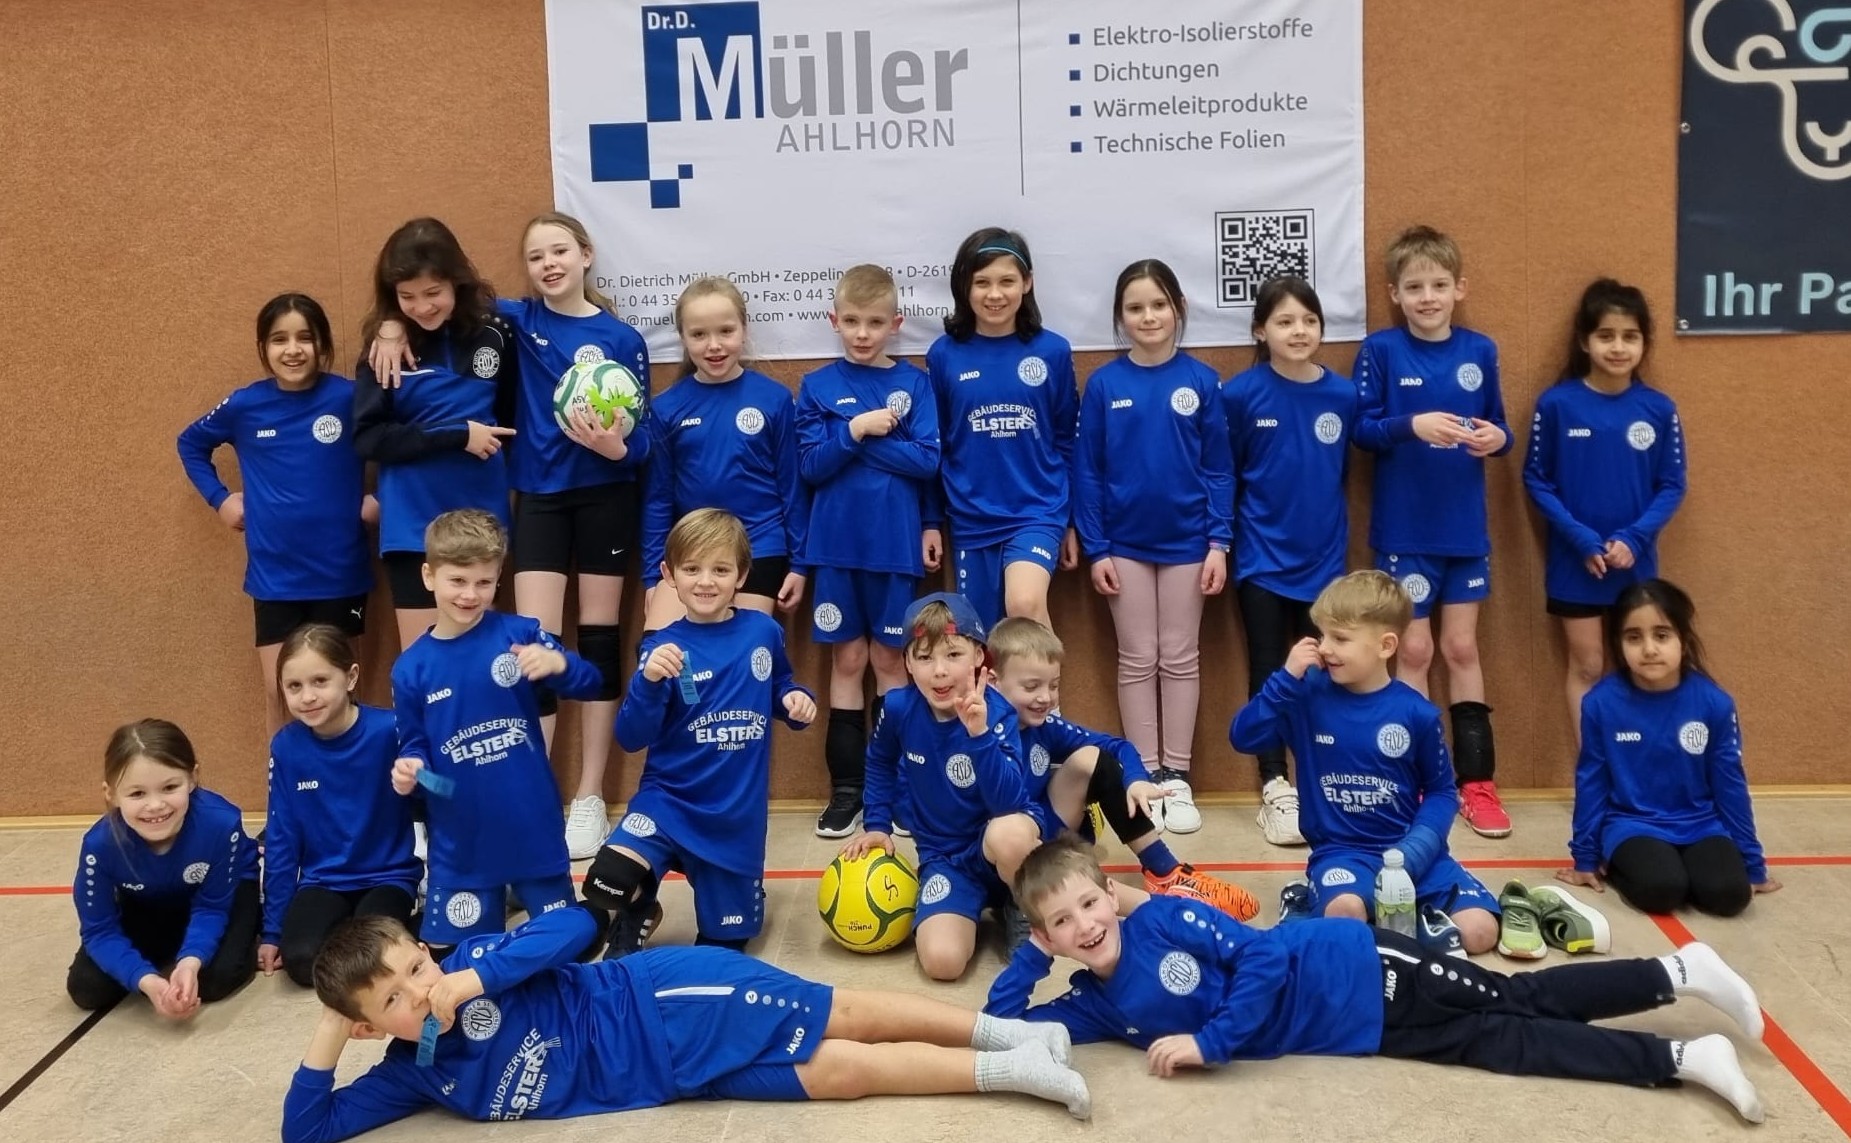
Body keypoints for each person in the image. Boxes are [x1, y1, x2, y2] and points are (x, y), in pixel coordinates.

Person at [985, 837, 1767, 1124]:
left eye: (1090, 901)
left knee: (1513, 998)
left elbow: (1261, 958)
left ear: (1108, 891)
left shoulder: (1162, 919)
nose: (1084, 923)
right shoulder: (1093, 1002)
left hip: (1353, 962)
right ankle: (1680, 1058)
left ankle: (1678, 969)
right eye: (1061, 923)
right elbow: (1008, 1018)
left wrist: (1210, 1041)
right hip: (1361, 1030)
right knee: (1504, 1046)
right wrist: (1031, 953)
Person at [281, 907, 1090, 1142]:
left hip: (662, 1001)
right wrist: (329, 1021)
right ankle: (1018, 1068)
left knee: (845, 1013)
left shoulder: (481, 956)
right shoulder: (415, 1068)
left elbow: (577, 925)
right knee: (841, 1072)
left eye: (414, 968)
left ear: (428, 950)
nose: (417, 996)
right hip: (669, 1077)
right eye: (390, 1000)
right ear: (366, 1027)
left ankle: (1005, 1032)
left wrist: (473, 972)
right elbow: (306, 1130)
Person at [370, 213, 653, 860]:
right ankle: (536, 793)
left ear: (585, 254)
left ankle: (587, 796)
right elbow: (435, 296)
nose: (549, 263)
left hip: (608, 496)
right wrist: (388, 322)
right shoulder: (512, 322)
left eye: (559, 250)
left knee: (603, 640)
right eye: (535, 256)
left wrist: (617, 446)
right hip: (540, 500)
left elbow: (642, 442)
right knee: (537, 645)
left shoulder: (622, 336)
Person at [1229, 571, 1504, 957]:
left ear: (1385, 645)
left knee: (1480, 932)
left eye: (1340, 638)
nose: (1324, 648)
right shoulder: (1305, 696)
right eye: (1322, 635)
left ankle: (1404, 926)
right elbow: (1243, 737)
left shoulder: (1417, 713)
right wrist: (1284, 679)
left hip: (1413, 855)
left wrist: (1417, 849)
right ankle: (1332, 907)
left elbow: (1442, 792)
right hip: (1342, 854)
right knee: (1346, 916)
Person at [583, 509, 817, 958]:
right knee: (606, 879)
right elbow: (631, 737)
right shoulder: (660, 647)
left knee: (719, 951)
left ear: (742, 575)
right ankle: (639, 907)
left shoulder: (763, 632)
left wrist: (796, 703)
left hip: (734, 819)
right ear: (669, 575)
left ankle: (735, 892)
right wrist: (647, 682)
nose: (705, 581)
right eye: (691, 569)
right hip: (668, 800)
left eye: (720, 569)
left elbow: (779, 687)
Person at [1351, 225, 1514, 838]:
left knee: (1462, 650)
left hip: (1464, 530)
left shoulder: (1480, 350)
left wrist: (1499, 440)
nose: (1427, 297)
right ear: (1394, 293)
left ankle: (1477, 783)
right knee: (1414, 651)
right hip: (1405, 529)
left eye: (1439, 285)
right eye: (1415, 286)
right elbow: (1362, 431)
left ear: (1459, 289)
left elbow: (1500, 428)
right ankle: (1419, 780)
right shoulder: (1381, 351)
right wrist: (1410, 424)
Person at [387, 509, 605, 952]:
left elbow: (592, 683)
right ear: (428, 576)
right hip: (459, 845)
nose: (470, 594)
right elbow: (416, 750)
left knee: (560, 953)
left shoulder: (520, 633)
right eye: (457, 581)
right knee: (459, 964)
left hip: (533, 830)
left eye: (484, 583)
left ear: (499, 578)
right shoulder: (411, 669)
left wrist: (561, 665)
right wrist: (412, 773)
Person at [1073, 260, 1232, 831]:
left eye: (1158, 305)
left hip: (1190, 544)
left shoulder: (1201, 382)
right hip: (1124, 547)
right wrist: (1097, 548)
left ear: (1178, 310)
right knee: (1139, 659)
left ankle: (1178, 779)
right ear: (1121, 317)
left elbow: (1218, 470)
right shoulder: (1105, 385)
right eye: (1136, 308)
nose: (1148, 317)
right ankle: (1143, 777)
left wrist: (1219, 542)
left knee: (1180, 656)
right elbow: (1088, 472)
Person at [176, 293, 374, 734]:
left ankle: (347, 795)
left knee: (341, 693)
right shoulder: (245, 405)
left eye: (305, 337)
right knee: (281, 692)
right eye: (279, 339)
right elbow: (190, 443)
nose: (293, 349)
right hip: (275, 577)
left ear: (321, 344)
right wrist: (220, 498)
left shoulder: (349, 397)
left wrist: (385, 499)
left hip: (340, 573)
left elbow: (399, 441)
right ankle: (286, 792)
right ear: (264, 348)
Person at [796, 264, 940, 838]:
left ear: (895, 323)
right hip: (834, 547)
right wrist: (855, 431)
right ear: (833, 321)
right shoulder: (816, 387)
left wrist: (861, 440)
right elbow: (810, 467)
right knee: (848, 663)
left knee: (889, 663)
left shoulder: (916, 384)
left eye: (875, 322)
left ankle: (898, 789)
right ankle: (848, 792)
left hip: (893, 545)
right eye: (851, 321)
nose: (862, 332)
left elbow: (928, 461)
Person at [988, 617, 1259, 922]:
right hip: (1001, 853)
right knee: (1009, 833)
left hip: (1039, 832)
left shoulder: (1045, 726)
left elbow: (1117, 746)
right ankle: (1166, 913)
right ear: (992, 681)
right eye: (1031, 686)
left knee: (1092, 758)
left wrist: (1135, 780)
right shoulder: (976, 737)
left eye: (1053, 685)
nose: (1045, 697)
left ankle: (1165, 872)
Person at [839, 593, 1042, 981]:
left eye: (953, 655)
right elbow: (879, 762)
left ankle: (1017, 900)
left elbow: (1009, 802)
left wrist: (978, 735)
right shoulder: (898, 709)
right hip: (945, 857)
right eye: (925, 657)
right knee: (942, 963)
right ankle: (975, 900)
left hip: (996, 839)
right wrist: (878, 824)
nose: (940, 671)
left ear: (980, 657)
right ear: (908, 664)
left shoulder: (997, 712)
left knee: (1011, 833)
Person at [1221, 276, 1356, 847]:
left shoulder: (1345, 396)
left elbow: (1340, 473)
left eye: (1308, 320)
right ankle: (1275, 785)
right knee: (1273, 669)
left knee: (1326, 670)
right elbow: (1227, 474)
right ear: (1261, 330)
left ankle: (1322, 777)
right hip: (1260, 559)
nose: (1298, 331)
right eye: (1284, 321)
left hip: (1324, 562)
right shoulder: (1241, 395)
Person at [1524, 279, 1687, 749]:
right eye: (1606, 335)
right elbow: (1536, 478)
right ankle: (1593, 770)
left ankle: (1634, 767)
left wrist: (1635, 539)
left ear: (1643, 342)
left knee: (1638, 664)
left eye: (1630, 336)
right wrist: (1580, 539)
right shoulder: (1557, 404)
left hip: (1634, 566)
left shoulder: (1658, 409)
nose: (1618, 347)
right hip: (1575, 564)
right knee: (1589, 666)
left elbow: (1672, 484)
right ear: (1585, 341)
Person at [1559, 579, 1780, 915]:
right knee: (1662, 890)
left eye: (1661, 635)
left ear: (1684, 641)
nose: (1649, 649)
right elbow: (1592, 780)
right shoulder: (1601, 704)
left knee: (1730, 896)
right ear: (1619, 645)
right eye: (1634, 637)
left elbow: (1730, 784)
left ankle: (1687, 867)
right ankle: (1619, 862)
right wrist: (1585, 857)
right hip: (1631, 824)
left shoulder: (1714, 703)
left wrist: (1752, 864)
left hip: (1701, 823)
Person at [353, 217, 519, 654]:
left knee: (479, 662)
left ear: (456, 282)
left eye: (433, 293)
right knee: (424, 666)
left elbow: (509, 421)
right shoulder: (384, 348)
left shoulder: (496, 333)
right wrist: (456, 436)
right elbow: (369, 439)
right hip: (412, 525)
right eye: (406, 297)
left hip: (482, 520)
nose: (422, 307)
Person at [925, 228, 1079, 631]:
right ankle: (1004, 698)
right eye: (982, 282)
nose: (995, 294)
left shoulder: (1052, 351)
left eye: (1007, 281)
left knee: (1024, 603)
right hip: (971, 514)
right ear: (964, 286)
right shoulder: (944, 355)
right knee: (982, 637)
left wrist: (1072, 522)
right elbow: (934, 444)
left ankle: (1048, 698)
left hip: (1037, 509)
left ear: (1026, 283)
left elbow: (1066, 440)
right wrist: (929, 521)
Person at [260, 624, 421, 987]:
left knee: (371, 961)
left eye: (320, 681)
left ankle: (413, 923)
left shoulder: (390, 731)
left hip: (388, 877)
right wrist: (272, 931)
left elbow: (436, 800)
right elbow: (282, 840)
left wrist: (417, 783)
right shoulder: (286, 747)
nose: (307, 697)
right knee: (301, 964)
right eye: (294, 686)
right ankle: (357, 927)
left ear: (350, 678)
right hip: (324, 880)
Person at [641, 277, 807, 629]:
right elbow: (658, 499)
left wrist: (800, 565)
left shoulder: (774, 399)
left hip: (760, 547)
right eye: (699, 335)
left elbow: (792, 488)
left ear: (743, 330)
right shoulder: (668, 407)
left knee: (741, 656)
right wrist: (650, 577)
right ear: (683, 338)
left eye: (725, 331)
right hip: (690, 553)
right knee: (658, 651)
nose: (714, 345)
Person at [68, 719, 260, 1016]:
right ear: (111, 794)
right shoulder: (99, 846)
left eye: (170, 787)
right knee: (87, 988)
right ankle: (172, 942)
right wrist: (146, 980)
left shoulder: (221, 824)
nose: (156, 805)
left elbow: (212, 907)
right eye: (137, 794)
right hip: (151, 900)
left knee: (215, 981)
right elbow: (100, 930)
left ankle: (245, 926)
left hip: (220, 895)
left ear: (193, 778)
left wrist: (190, 961)